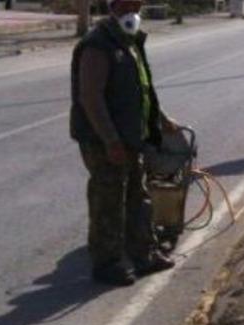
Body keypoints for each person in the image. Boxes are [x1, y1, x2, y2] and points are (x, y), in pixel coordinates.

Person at [70, 0, 178, 286]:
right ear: (113, 6)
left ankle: (143, 254)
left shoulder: (130, 41)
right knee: (108, 202)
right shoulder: (98, 45)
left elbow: (140, 89)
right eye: (127, 3)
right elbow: (91, 98)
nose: (134, 9)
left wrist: (161, 118)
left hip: (133, 137)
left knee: (137, 197)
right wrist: (111, 141)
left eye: (138, 4)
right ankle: (107, 264)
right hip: (105, 141)